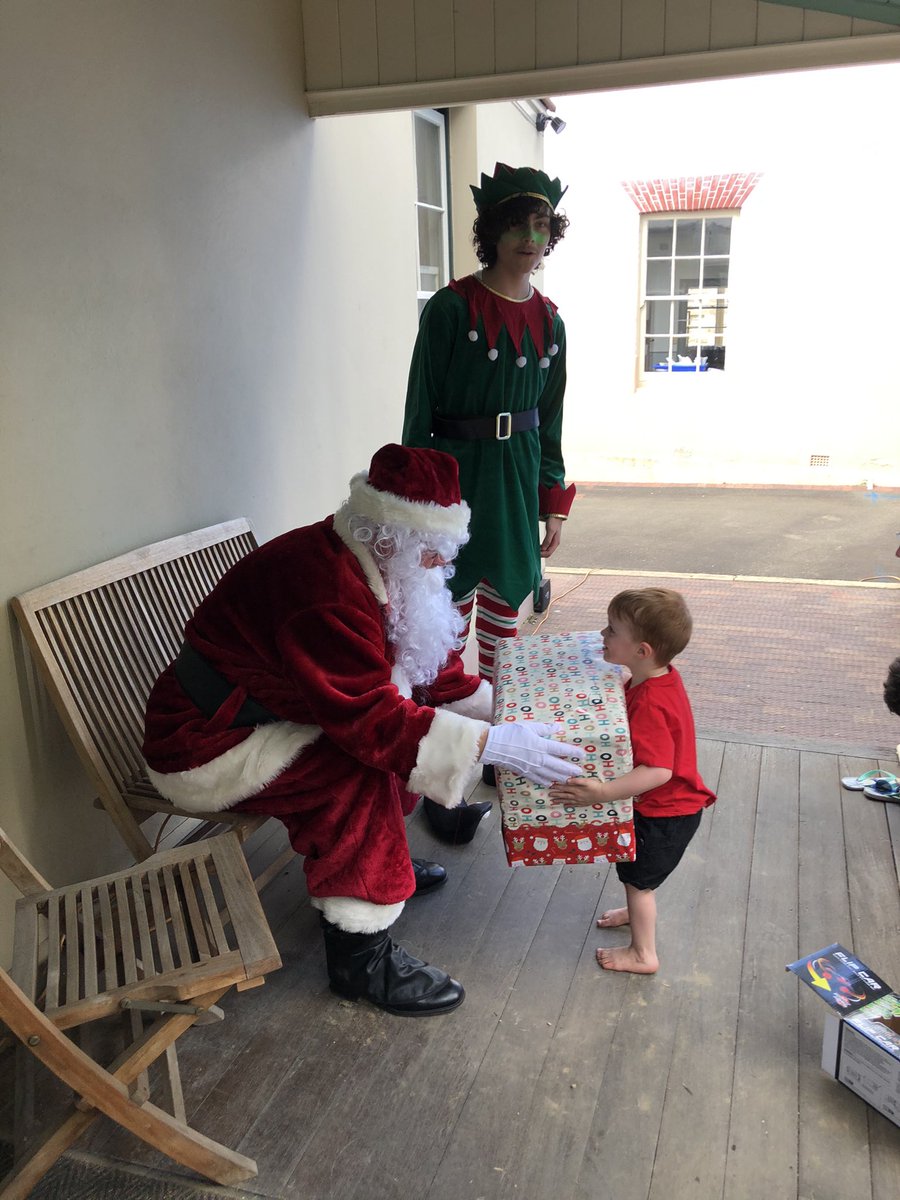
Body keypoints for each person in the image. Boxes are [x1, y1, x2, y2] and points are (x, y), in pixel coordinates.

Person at [142, 443, 584, 1017]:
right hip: (206, 741)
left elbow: (427, 660)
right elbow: (367, 720)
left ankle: (382, 863)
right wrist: (492, 745)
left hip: (275, 713)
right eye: (429, 550)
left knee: (392, 733)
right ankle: (360, 960)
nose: (437, 566)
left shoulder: (376, 562)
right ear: (387, 536)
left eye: (443, 550)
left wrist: (504, 712)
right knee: (356, 771)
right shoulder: (323, 590)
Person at [402, 162, 575, 841]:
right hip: (454, 484)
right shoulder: (450, 310)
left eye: (540, 225)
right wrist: (418, 509)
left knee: (506, 636)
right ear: (492, 232)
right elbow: (420, 413)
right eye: (516, 224)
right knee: (442, 638)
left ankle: (502, 756)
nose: (529, 237)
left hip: (516, 480)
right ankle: (441, 787)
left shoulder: (552, 324)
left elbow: (553, 418)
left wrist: (552, 500)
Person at [549, 588, 715, 975]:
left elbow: (659, 771)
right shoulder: (657, 679)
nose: (603, 635)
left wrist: (602, 793)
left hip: (664, 816)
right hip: (668, 810)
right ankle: (636, 907)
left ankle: (643, 954)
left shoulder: (650, 702)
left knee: (640, 883)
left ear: (641, 651)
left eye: (611, 631)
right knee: (636, 878)